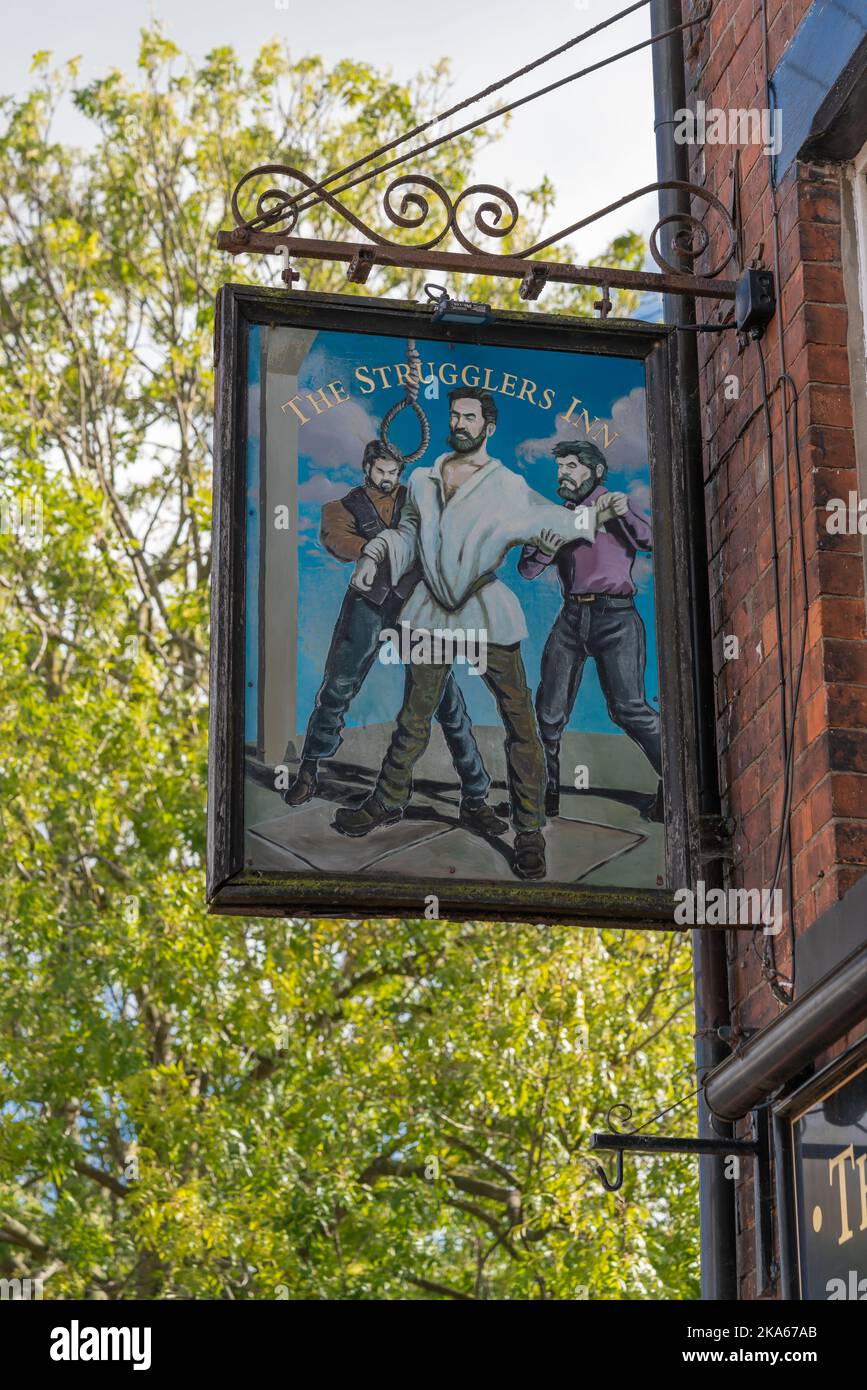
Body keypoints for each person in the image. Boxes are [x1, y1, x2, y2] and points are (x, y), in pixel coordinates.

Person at [333, 390, 623, 880]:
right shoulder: (423, 481)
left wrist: (592, 516)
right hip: (430, 612)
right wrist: (375, 554)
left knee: (518, 719)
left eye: (469, 417)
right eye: (454, 415)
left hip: (486, 610)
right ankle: (388, 799)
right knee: (414, 714)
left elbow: (547, 517)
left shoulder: (505, 484)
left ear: (488, 427)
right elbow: (406, 534)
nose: (459, 423)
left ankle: (529, 830)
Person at [282, 438, 505, 838]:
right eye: (381, 471)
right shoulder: (340, 508)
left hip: (414, 606)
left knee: (447, 701)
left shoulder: (419, 497)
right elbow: (337, 539)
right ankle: (310, 771)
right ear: (367, 467)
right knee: (338, 687)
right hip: (367, 603)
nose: (387, 479)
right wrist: (373, 550)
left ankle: (475, 796)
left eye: (394, 472)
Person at [517, 438, 662, 819]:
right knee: (548, 711)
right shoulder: (556, 516)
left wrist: (624, 514)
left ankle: (675, 781)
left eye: (571, 467)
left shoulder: (615, 504)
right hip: (571, 618)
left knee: (629, 708)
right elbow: (527, 570)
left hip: (617, 618)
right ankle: (543, 796)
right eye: (560, 467)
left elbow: (651, 540)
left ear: (595, 471)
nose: (562, 474)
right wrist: (547, 550)